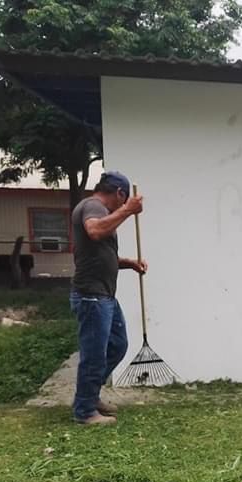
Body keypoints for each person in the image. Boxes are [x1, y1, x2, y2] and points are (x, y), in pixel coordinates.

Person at [69, 171, 146, 425]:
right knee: (94, 355)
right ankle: (84, 412)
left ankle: (90, 396)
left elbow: (100, 253)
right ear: (120, 194)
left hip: (104, 296)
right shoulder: (92, 206)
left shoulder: (100, 210)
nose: (122, 207)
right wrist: (128, 211)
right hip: (91, 296)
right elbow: (94, 232)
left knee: (118, 345)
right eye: (122, 202)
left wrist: (129, 263)